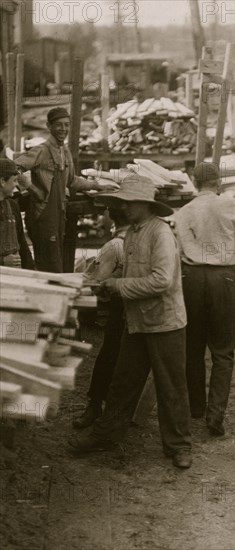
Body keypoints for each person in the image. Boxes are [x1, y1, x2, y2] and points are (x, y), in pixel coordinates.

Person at [68, 176, 192, 469]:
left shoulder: (160, 233)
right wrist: (104, 284)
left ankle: (179, 445)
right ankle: (106, 435)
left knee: (171, 388)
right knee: (123, 383)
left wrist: (117, 286)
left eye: (128, 203)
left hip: (165, 323)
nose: (122, 207)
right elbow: (129, 274)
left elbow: (162, 281)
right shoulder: (134, 233)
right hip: (136, 322)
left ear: (144, 205)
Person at [174, 162, 235, 436]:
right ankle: (215, 416)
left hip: (191, 279)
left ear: (194, 183)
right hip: (222, 279)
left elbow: (180, 246)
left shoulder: (184, 212)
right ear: (217, 182)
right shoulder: (227, 203)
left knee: (192, 347)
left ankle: (196, 408)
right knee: (223, 351)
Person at [15, 107, 118, 273]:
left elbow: (72, 180)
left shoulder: (65, 152)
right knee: (47, 265)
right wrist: (32, 189)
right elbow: (15, 167)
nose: (63, 129)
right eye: (58, 125)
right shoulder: (41, 151)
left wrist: (97, 185)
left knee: (57, 263)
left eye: (66, 125)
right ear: (49, 126)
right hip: (42, 216)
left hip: (59, 214)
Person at [72, 207, 128, 430]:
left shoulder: (114, 245)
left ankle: (96, 406)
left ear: (113, 221)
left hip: (123, 306)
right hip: (141, 306)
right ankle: (110, 411)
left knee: (110, 355)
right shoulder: (146, 237)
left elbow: (93, 280)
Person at [0, 159, 34, 269]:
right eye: (14, 180)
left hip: (15, 275)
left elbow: (22, 243)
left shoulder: (13, 206)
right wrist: (2, 261)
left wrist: (32, 272)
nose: (16, 185)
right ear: (2, 181)